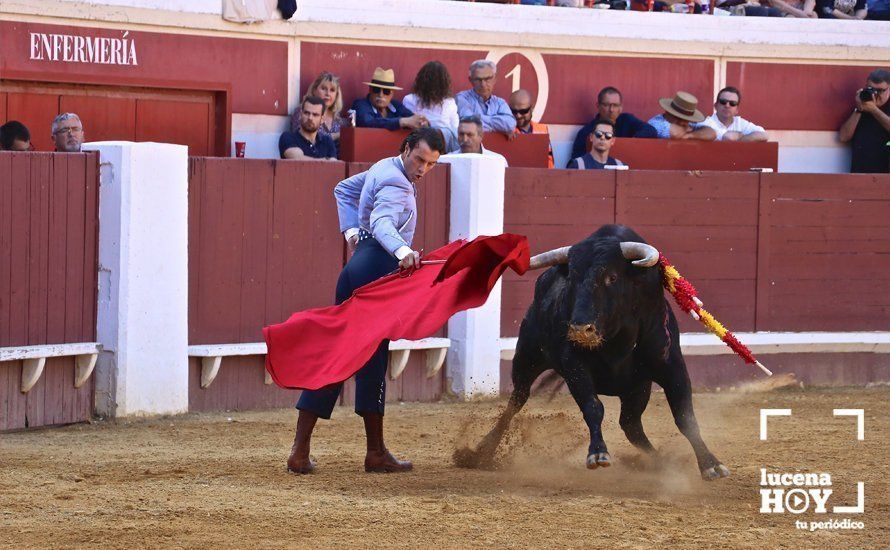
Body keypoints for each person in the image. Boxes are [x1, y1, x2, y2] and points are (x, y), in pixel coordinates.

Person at [286, 127, 448, 475]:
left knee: (354, 355)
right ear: (406, 149)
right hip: (375, 270)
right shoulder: (398, 184)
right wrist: (403, 250)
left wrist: (351, 232)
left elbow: (343, 189)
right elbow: (382, 221)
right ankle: (364, 452)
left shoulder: (383, 167)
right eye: (420, 159)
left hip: (358, 268)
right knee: (354, 357)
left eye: (432, 164)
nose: (423, 169)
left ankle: (347, 452)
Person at [570, 87, 656, 163]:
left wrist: (630, 143)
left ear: (621, 108)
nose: (611, 110)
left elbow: (651, 131)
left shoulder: (627, 120)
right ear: (598, 106)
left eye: (615, 105)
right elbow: (576, 162)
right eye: (606, 105)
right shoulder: (586, 132)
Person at [838, 68, 890, 173]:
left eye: (880, 90)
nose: (875, 94)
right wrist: (859, 109)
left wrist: (873, 109)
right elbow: (843, 137)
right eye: (871, 89)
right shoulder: (862, 106)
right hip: (860, 175)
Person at [403, 61, 460, 153]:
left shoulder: (449, 102)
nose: (434, 86)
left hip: (444, 149)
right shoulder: (410, 100)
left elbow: (455, 130)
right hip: (420, 146)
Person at [351, 67, 428, 131]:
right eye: (376, 89)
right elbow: (368, 122)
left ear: (392, 94)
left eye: (386, 91)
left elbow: (411, 118)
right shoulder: (360, 104)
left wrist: (422, 122)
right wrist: (402, 122)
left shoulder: (396, 105)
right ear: (370, 90)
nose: (380, 95)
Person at [455, 60, 516, 135]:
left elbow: (510, 124)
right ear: (470, 80)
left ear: (495, 79)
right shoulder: (462, 98)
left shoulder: (500, 103)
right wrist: (498, 128)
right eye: (478, 80)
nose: (483, 84)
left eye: (487, 79)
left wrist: (478, 118)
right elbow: (469, 123)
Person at [299, 72, 350, 149]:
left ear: (336, 95)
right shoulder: (302, 112)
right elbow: (305, 138)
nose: (328, 94)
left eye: (332, 90)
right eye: (323, 88)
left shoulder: (339, 120)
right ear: (314, 90)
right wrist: (338, 135)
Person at [698, 87, 768, 142]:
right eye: (723, 102)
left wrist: (739, 138)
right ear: (716, 106)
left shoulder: (740, 122)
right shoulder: (707, 122)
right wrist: (745, 136)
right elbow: (728, 137)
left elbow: (764, 135)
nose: (727, 106)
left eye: (732, 103)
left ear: (737, 110)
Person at [278, 96, 338, 161]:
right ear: (300, 115)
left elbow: (334, 164)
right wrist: (326, 160)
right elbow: (298, 159)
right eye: (306, 113)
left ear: (322, 119)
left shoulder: (327, 141)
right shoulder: (288, 137)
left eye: (315, 115)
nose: (310, 118)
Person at [508, 89, 553, 168]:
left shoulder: (543, 130)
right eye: (514, 111)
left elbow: (549, 162)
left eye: (523, 111)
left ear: (531, 108)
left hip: (538, 176)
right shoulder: (505, 131)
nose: (518, 115)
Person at [648, 91, 716, 141]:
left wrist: (690, 135)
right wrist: (688, 130)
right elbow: (675, 133)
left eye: (685, 119)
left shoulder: (690, 125)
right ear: (668, 112)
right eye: (678, 117)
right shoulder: (656, 122)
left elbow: (711, 133)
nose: (682, 122)